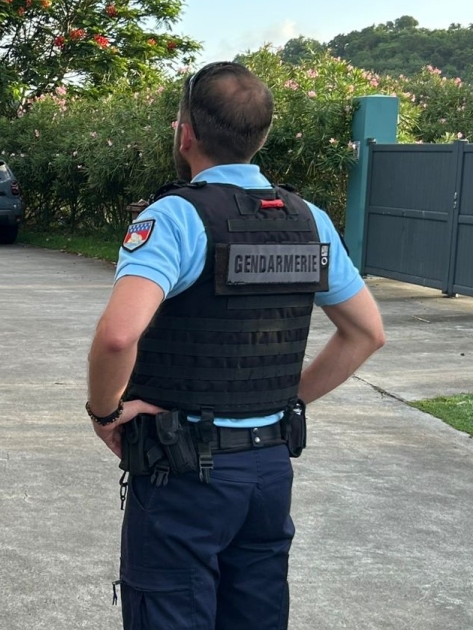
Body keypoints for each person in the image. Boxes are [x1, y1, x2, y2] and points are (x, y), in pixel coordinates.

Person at [85, 62, 386, 629]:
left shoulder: (175, 217)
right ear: (261, 136)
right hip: (269, 469)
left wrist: (104, 413)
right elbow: (366, 332)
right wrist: (283, 400)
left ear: (186, 133)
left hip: (185, 475)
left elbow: (119, 334)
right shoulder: (309, 220)